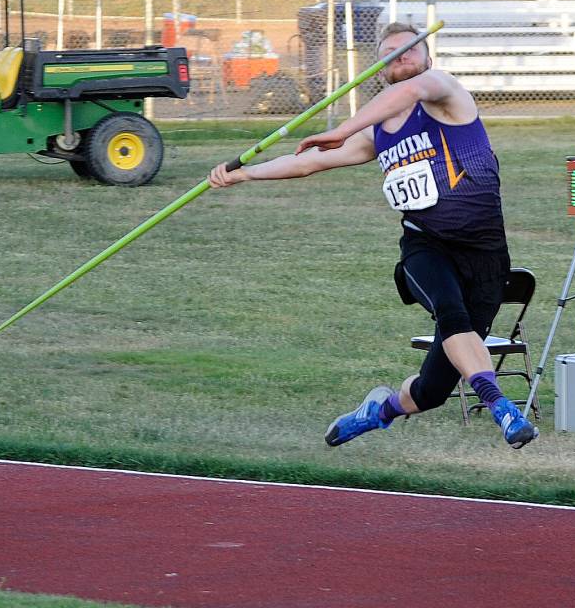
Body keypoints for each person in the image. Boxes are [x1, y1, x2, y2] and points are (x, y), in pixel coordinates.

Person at [208, 22, 538, 450]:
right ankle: (503, 409)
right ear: (379, 71)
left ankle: (378, 411)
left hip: (485, 254)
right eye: (389, 54)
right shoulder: (376, 133)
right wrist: (246, 173)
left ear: (427, 58)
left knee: (430, 392)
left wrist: (341, 129)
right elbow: (309, 163)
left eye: (409, 50)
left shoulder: (445, 92)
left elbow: (411, 92)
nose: (401, 57)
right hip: (426, 245)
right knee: (450, 313)